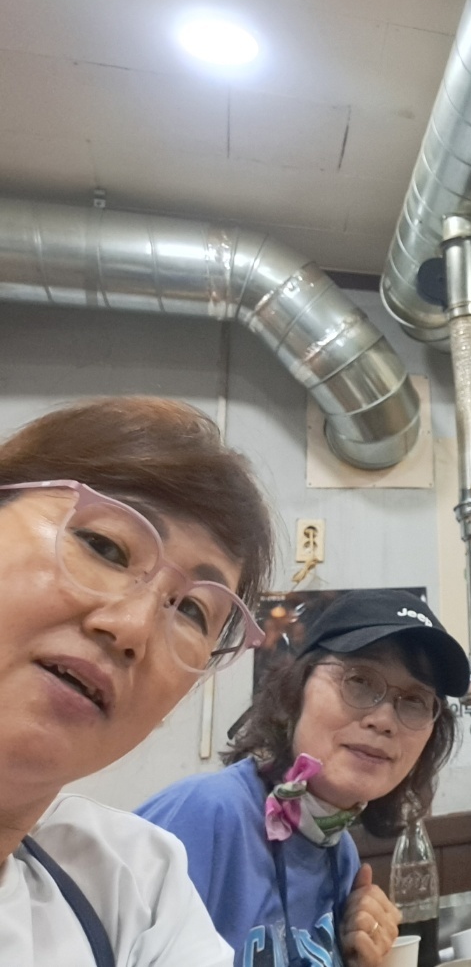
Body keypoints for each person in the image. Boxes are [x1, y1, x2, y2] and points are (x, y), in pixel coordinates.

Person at [0, 396, 276, 965]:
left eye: (193, 611)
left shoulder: (133, 890)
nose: (133, 628)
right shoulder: (211, 813)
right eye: (104, 546)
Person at [139, 588, 467, 967]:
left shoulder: (339, 855)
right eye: (360, 681)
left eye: (414, 701)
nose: (384, 720)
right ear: (296, 689)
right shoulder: (205, 815)